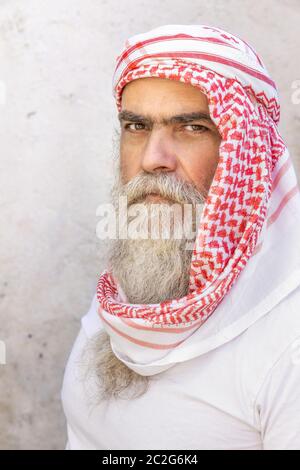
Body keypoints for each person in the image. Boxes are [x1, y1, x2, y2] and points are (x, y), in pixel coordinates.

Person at [61, 24, 300, 450]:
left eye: (191, 128)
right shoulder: (129, 278)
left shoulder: (289, 342)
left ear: (245, 151)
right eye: (136, 126)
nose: (153, 159)